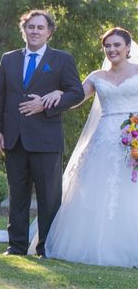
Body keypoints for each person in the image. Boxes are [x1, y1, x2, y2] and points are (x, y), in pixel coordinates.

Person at [0, 10, 84, 257]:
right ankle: (16, 246)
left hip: (46, 140)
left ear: (49, 32)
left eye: (40, 27)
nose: (35, 31)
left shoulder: (62, 59)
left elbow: (77, 93)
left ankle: (46, 248)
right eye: (31, 27)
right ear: (24, 30)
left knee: (48, 197)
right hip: (14, 138)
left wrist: (51, 100)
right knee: (17, 195)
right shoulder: (9, 59)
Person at [39, 27, 138, 267]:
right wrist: (55, 94)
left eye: (117, 45)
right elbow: (74, 99)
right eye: (108, 46)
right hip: (103, 138)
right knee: (95, 186)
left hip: (132, 136)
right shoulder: (96, 76)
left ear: (128, 48)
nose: (112, 49)